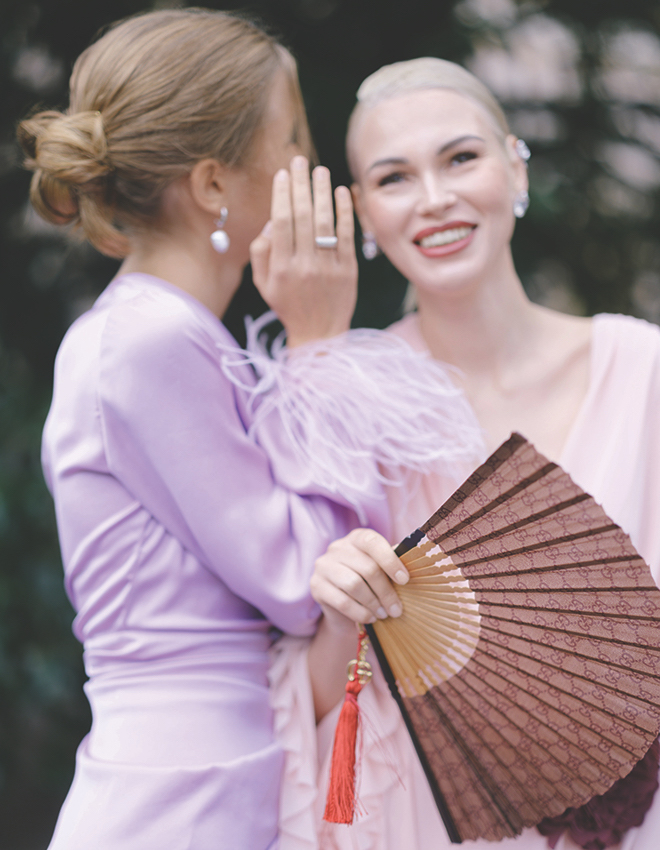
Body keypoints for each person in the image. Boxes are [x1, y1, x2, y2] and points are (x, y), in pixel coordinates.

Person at [18, 17, 481, 850]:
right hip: (178, 797)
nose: (313, 167)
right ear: (211, 186)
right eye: (295, 137)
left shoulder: (172, 335)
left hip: (217, 775)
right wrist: (314, 343)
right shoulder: (149, 343)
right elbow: (311, 582)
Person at [274, 58, 660, 850]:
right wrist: (343, 613)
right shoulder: (345, 400)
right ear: (364, 216)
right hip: (434, 822)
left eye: (460, 158)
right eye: (394, 178)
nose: (435, 198)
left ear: (514, 165)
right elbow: (316, 703)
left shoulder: (646, 371)